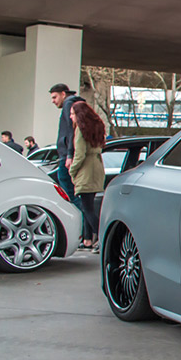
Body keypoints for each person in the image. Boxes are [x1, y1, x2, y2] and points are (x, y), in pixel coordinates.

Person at [68, 101, 106, 252]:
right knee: (87, 205)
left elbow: (79, 154)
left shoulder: (80, 129)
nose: (71, 117)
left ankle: (102, 238)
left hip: (86, 170)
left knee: (87, 208)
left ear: (79, 115)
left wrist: (72, 171)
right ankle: (88, 239)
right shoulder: (96, 127)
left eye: (72, 114)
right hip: (97, 167)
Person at [49, 83, 84, 209]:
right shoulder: (74, 103)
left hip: (67, 156)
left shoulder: (68, 104)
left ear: (63, 94)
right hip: (68, 154)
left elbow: (71, 131)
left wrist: (69, 154)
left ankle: (79, 215)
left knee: (68, 193)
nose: (53, 101)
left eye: (55, 97)